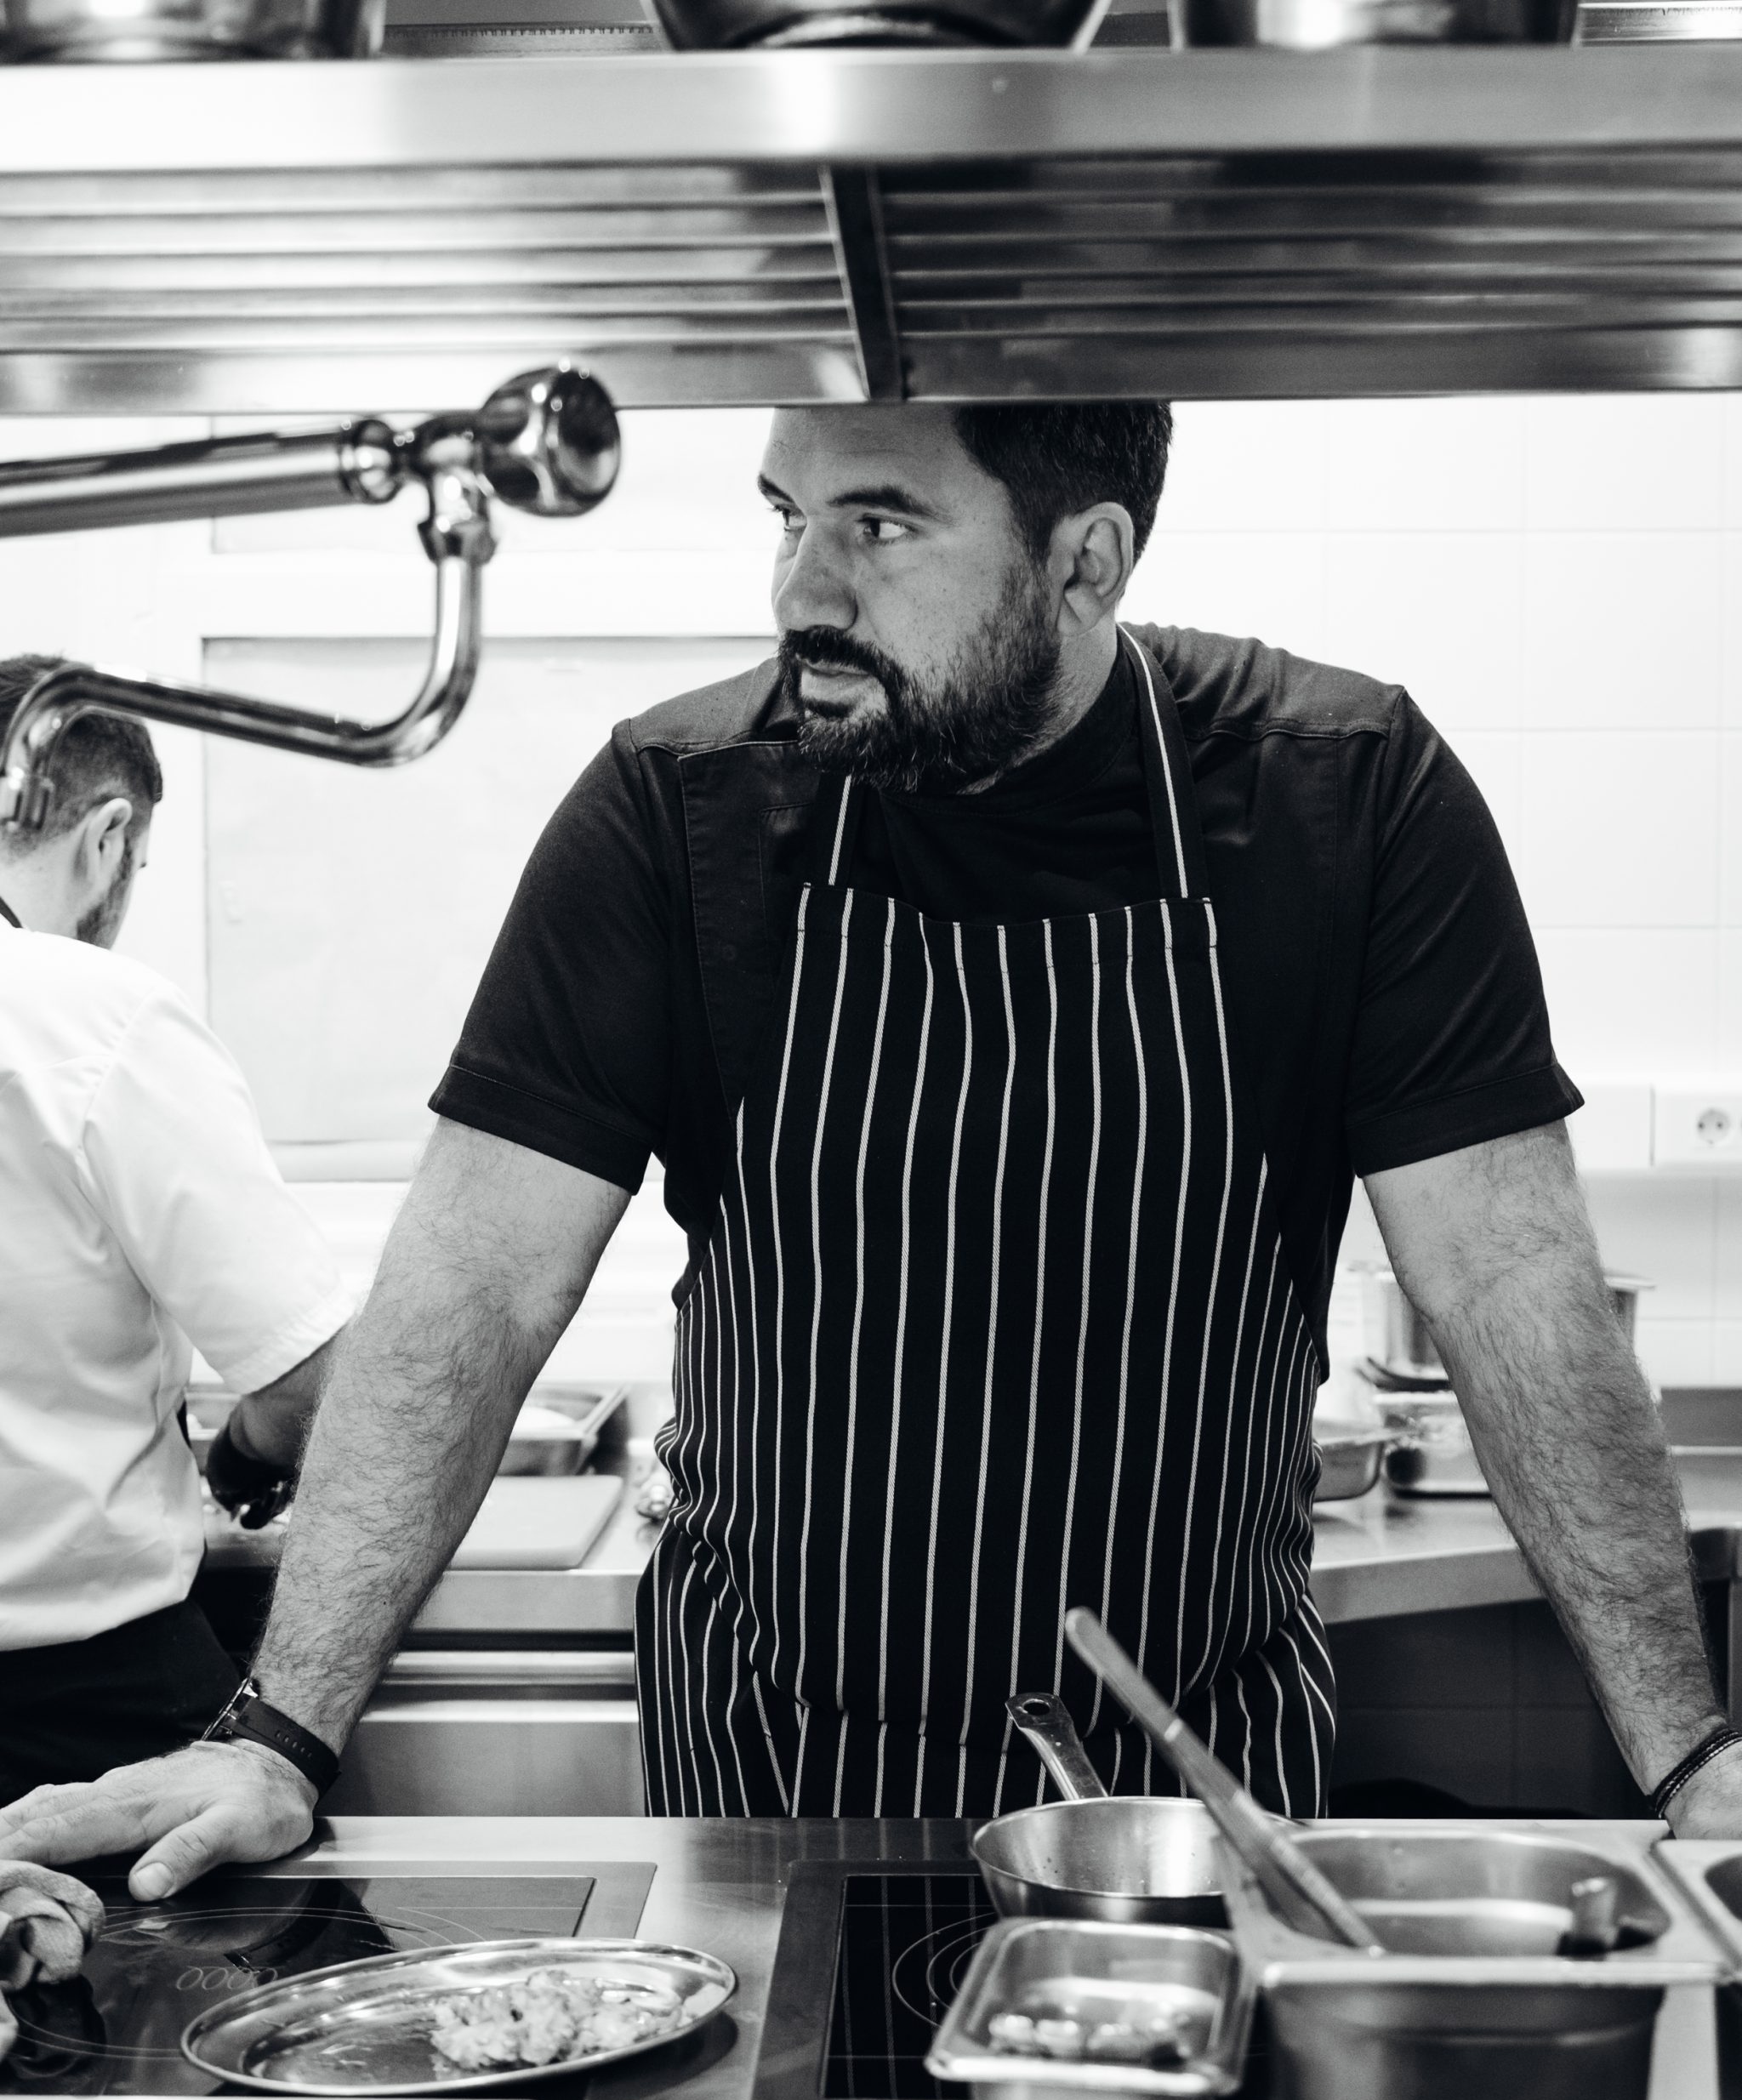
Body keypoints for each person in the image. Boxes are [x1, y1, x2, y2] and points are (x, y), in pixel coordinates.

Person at [6, 401, 1741, 1899]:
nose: (800, 591)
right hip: (775, 1783)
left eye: (880, 527)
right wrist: (279, 1730)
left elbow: (1511, 1289)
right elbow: (472, 1285)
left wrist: (1692, 1761)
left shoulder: (1343, 798)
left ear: (1086, 562)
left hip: (1183, 1791)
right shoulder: (673, 811)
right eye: (788, 515)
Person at [0, 657, 350, 1803]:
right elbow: (311, 1380)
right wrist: (238, 1458)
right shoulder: (93, 1016)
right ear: (107, 837)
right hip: (82, 1702)